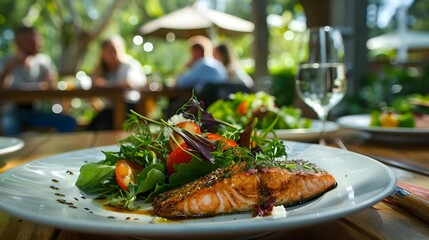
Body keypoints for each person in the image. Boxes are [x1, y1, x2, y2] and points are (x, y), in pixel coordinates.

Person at [0, 26, 76, 135]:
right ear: (18, 43)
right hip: (11, 112)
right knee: (8, 126)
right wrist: (9, 68)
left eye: (38, 40)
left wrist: (60, 108)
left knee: (68, 122)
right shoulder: (5, 61)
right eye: (32, 42)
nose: (38, 44)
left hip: (35, 112)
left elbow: (52, 87)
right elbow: (3, 89)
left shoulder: (43, 61)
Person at [87, 35, 147, 130]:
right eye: (109, 51)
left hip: (131, 107)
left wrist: (105, 84)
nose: (113, 54)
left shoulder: (129, 65)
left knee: (103, 126)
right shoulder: (102, 69)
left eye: (115, 50)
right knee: (93, 127)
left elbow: (130, 83)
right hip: (111, 109)